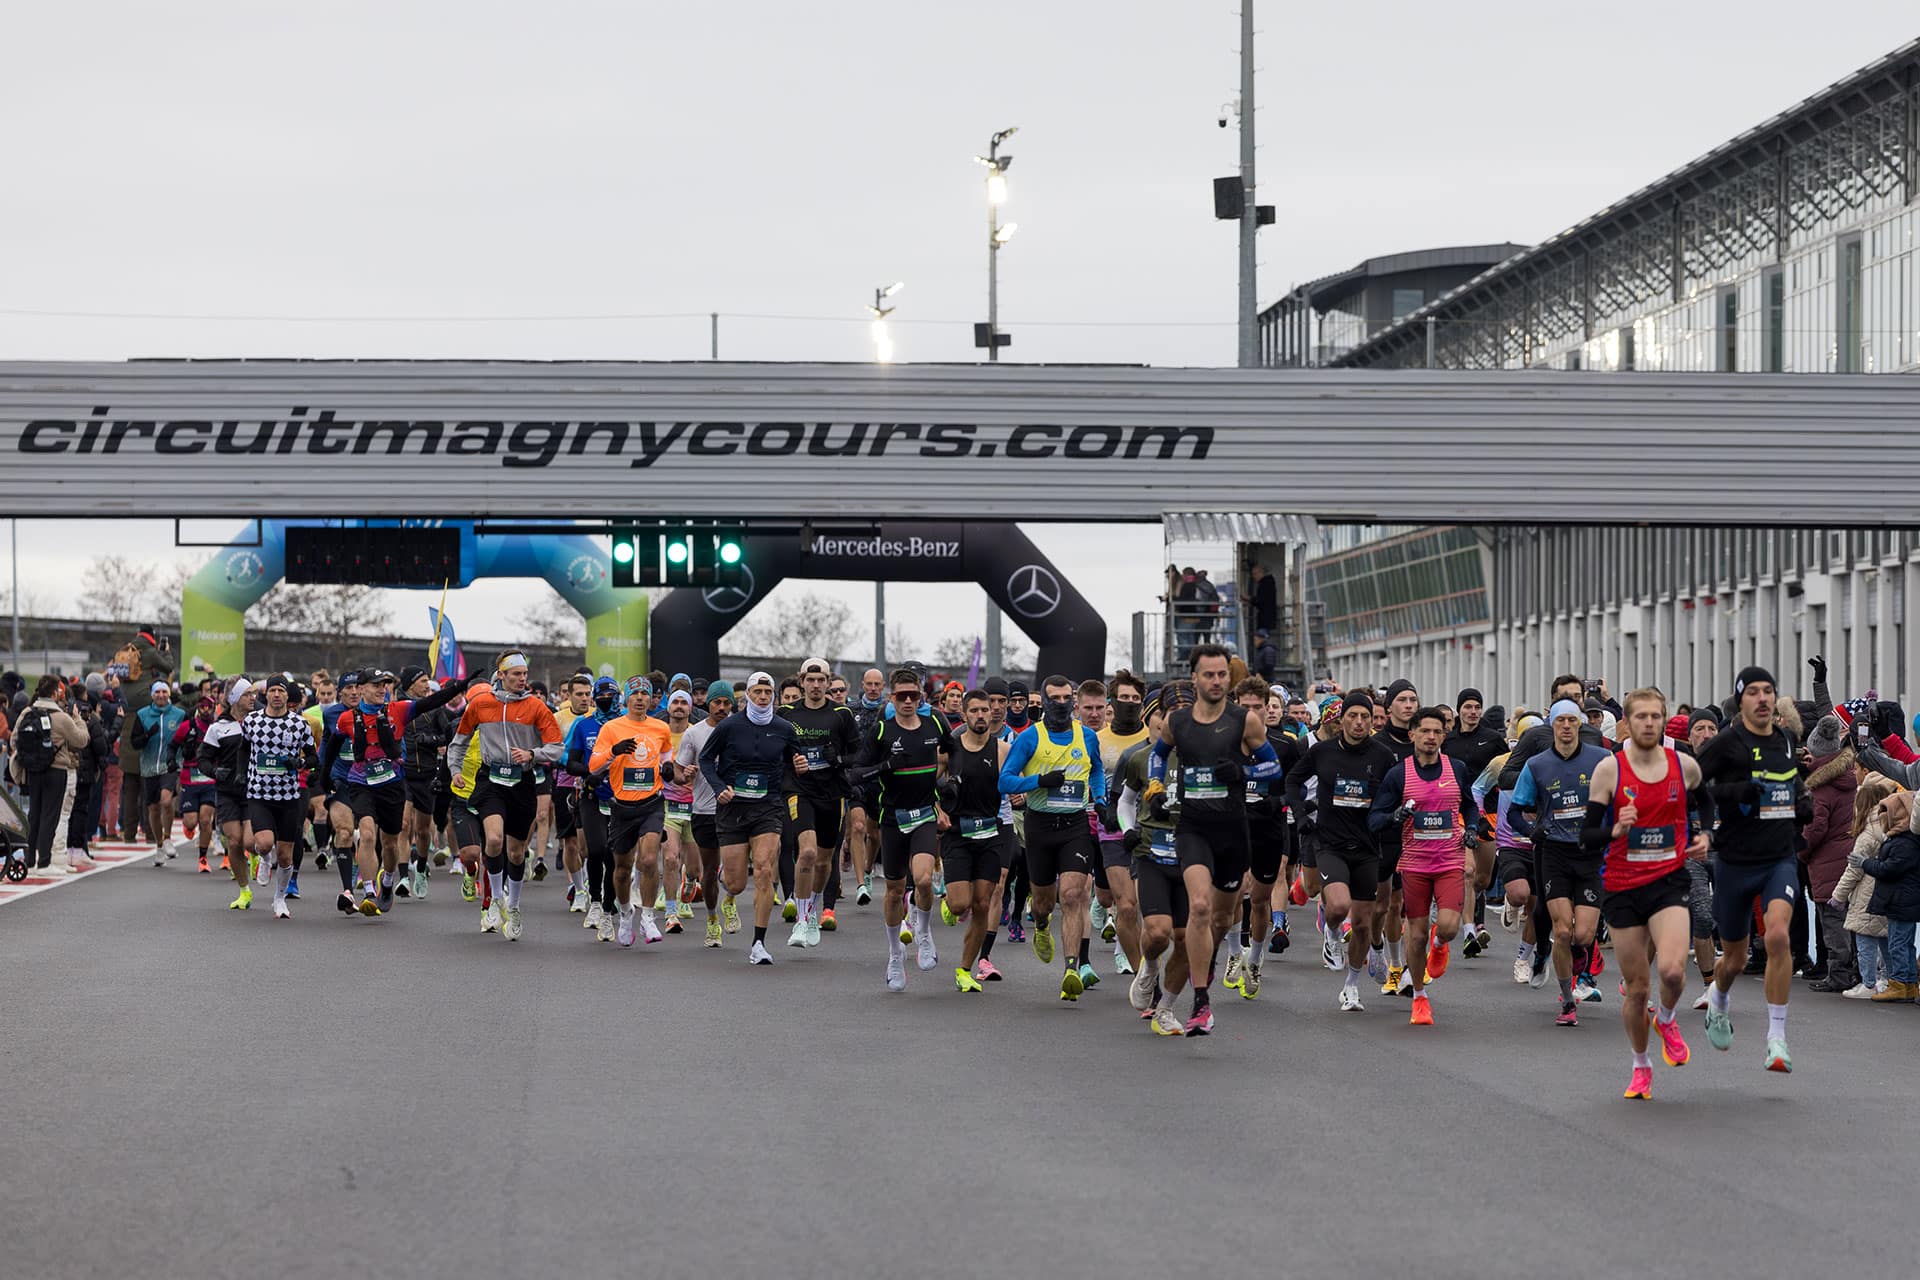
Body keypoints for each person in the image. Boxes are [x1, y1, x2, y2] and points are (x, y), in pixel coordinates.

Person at [1580, 687, 1711, 1100]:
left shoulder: (1683, 765)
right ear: (1628, 723)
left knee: (1672, 971)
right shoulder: (1610, 771)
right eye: (1641, 717)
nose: (1649, 723)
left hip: (1668, 880)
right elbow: (1587, 835)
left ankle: (1667, 1018)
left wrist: (1704, 832)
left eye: (1656, 716)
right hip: (1622, 885)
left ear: (1664, 719)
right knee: (1637, 989)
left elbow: (1705, 800)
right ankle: (1641, 1065)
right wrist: (1615, 830)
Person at [1145, 643, 1279, 1035]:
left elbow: (1272, 766)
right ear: (1195, 678)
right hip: (1193, 828)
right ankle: (1201, 1001)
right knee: (1199, 908)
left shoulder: (1245, 721)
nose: (1217, 681)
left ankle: (1183, 987)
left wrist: (1241, 773)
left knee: (1221, 919)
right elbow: (1158, 754)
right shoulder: (1180, 722)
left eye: (1222, 674)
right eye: (1209, 675)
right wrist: (1156, 784)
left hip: (1233, 832)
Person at [1695, 667, 1806, 1071]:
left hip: (1778, 857)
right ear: (1740, 701)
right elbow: (1695, 786)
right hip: (1734, 862)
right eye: (1753, 692)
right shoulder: (1727, 743)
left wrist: (1801, 799)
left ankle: (1776, 1038)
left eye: (1768, 692)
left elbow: (1792, 782)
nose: (1762, 699)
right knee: (1737, 959)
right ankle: (1719, 1000)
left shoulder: (1787, 741)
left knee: (1777, 935)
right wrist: (1732, 794)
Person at [1285, 691, 1397, 1011]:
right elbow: (1293, 781)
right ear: (1341, 719)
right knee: (1337, 906)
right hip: (1329, 842)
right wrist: (1301, 814)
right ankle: (1332, 934)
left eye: (1365, 717)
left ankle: (1351, 986)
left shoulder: (1383, 755)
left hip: (1367, 846)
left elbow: (1396, 792)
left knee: (1362, 924)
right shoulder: (1321, 752)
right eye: (1352, 716)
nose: (1359, 722)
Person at [1369, 706, 1479, 1026]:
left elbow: (1470, 806)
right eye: (1425, 731)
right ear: (1412, 735)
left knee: (1447, 926)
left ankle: (1441, 944)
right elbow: (1375, 818)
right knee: (1415, 937)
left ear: (1444, 736)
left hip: (1449, 860)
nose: (1431, 737)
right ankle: (1419, 997)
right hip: (1414, 864)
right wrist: (1394, 817)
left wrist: (1470, 829)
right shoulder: (1399, 774)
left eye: (1437, 732)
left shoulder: (1456, 769)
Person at [445, 653, 566, 942]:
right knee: (494, 839)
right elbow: (459, 741)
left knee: (515, 851)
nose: (522, 679)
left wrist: (532, 755)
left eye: (525, 674)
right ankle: (496, 901)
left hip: (521, 781)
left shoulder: (536, 707)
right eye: (516, 674)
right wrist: (454, 770)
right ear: (501, 675)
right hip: (491, 780)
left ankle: (514, 906)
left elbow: (557, 747)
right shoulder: (480, 704)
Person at [1000, 674, 1106, 1001]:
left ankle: (1071, 968)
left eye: (1066, 698)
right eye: (1054, 699)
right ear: (1044, 702)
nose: (1061, 704)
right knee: (1045, 902)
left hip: (1075, 825)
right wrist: (1039, 781)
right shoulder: (1031, 738)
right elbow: (1005, 782)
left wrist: (1100, 801)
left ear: (1073, 700)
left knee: (1074, 895)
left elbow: (1097, 770)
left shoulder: (1087, 737)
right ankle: (1042, 926)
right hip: (1040, 826)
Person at [1512, 698, 1614, 1024]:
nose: (1567, 727)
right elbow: (1516, 810)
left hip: (1590, 854)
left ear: (1580, 725)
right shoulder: (1537, 765)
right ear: (1552, 726)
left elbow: (1619, 797)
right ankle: (1568, 1001)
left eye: (1572, 720)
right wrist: (1531, 830)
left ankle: (1578, 957)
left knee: (1583, 935)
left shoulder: (1602, 759)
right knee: (1563, 930)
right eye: (1560, 721)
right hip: (1554, 852)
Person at [699, 671, 802, 966]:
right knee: (735, 882)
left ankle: (759, 943)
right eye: (757, 692)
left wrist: (800, 765)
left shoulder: (784, 728)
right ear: (748, 696)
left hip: (768, 807)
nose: (762, 697)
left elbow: (794, 762)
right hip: (734, 808)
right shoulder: (730, 726)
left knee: (764, 869)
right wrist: (719, 788)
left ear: (774, 696)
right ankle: (728, 888)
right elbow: (706, 759)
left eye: (767, 693)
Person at [777, 657, 860, 948]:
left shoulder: (842, 714)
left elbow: (857, 755)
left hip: (832, 793)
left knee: (825, 860)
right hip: (800, 790)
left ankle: (812, 908)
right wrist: (791, 761)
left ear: (827, 682)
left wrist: (836, 759)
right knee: (808, 852)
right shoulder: (786, 713)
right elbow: (776, 752)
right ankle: (800, 920)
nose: (815, 685)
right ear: (801, 681)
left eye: (821, 680)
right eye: (810, 680)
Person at [589, 677, 676, 947]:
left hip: (651, 803)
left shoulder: (660, 727)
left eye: (645, 694)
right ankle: (626, 912)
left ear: (652, 699)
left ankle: (648, 916)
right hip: (622, 806)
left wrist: (669, 767)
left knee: (649, 860)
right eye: (635, 693)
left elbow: (665, 755)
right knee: (622, 868)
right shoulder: (612, 728)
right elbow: (593, 767)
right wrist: (613, 752)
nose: (640, 698)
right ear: (626, 698)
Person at [939, 689, 1007, 992]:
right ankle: (948, 901)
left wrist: (1021, 792)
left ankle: (964, 970)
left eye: (986, 710)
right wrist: (937, 810)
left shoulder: (1002, 750)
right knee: (959, 905)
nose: (982, 716)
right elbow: (929, 782)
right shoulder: (949, 748)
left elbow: (1016, 779)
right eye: (975, 711)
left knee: (982, 903)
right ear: (965, 715)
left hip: (990, 834)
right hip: (957, 833)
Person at [242, 675, 319, 919]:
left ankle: (279, 899)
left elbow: (314, 758)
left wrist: (301, 762)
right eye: (273, 690)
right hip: (259, 793)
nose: (277, 694)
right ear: (267, 695)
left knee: (286, 855)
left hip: (288, 796)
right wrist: (240, 777)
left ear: (288, 696)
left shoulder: (299, 724)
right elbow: (243, 753)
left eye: (281, 691)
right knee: (264, 843)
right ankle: (264, 859)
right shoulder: (252, 721)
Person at [1798, 715, 1859, 993]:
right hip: (1848, 854)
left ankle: (1839, 973)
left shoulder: (1820, 788)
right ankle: (1855, 971)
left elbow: (1816, 827)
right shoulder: (1847, 776)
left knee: (1832, 920)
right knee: (1850, 917)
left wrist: (1802, 851)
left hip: (1826, 860)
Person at [8, 675, 88, 874]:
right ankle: (44, 862)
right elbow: (81, 740)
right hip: (56, 770)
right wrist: (77, 718)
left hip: (33, 771)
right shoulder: (61, 717)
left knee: (34, 814)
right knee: (50, 816)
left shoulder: (28, 712)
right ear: (55, 693)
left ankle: (30, 860)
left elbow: (14, 739)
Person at [1830, 777, 1899, 998]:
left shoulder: (1866, 834)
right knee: (1885, 940)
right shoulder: (1889, 828)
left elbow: (1854, 870)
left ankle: (1868, 983)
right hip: (1885, 893)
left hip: (1865, 896)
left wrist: (1838, 895)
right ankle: (1890, 981)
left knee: (1864, 940)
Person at [1858, 793, 1920, 1002]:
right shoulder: (1904, 840)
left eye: (1886, 812)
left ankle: (1901, 983)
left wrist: (1865, 863)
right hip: (1901, 901)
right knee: (1903, 943)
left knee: (1898, 944)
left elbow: (1890, 869)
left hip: (1902, 901)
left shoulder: (1905, 843)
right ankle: (1909, 984)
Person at [132, 680, 187, 865]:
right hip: (148, 767)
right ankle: (159, 846)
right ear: (152, 695)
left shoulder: (179, 715)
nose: (161, 695)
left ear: (169, 693)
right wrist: (148, 735)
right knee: (153, 808)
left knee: (166, 800)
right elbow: (134, 742)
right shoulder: (143, 715)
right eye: (157, 692)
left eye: (164, 692)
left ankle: (168, 837)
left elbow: (188, 738)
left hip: (170, 765)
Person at [1247, 561, 1279, 634]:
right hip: (1267, 618)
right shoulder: (1268, 583)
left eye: (1255, 574)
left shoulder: (1264, 584)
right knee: (1262, 639)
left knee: (1261, 639)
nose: (1254, 577)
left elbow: (1261, 601)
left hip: (1265, 619)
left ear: (1261, 573)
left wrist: (1250, 599)